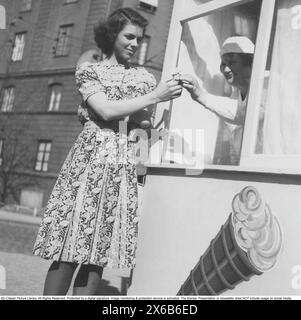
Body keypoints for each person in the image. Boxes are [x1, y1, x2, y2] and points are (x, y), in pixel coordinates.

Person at [32, 7, 182, 296]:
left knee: (98, 253)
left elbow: (142, 126)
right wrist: (154, 96)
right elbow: (104, 109)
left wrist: (165, 106)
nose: (135, 44)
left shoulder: (143, 78)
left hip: (120, 166)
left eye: (139, 39)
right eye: (129, 36)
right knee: (68, 246)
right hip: (88, 164)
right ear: (112, 34)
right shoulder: (90, 70)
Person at [180, 36, 256, 164]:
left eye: (232, 62)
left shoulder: (267, 82)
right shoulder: (235, 93)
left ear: (250, 62)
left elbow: (247, 114)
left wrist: (201, 95)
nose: (225, 69)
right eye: (223, 64)